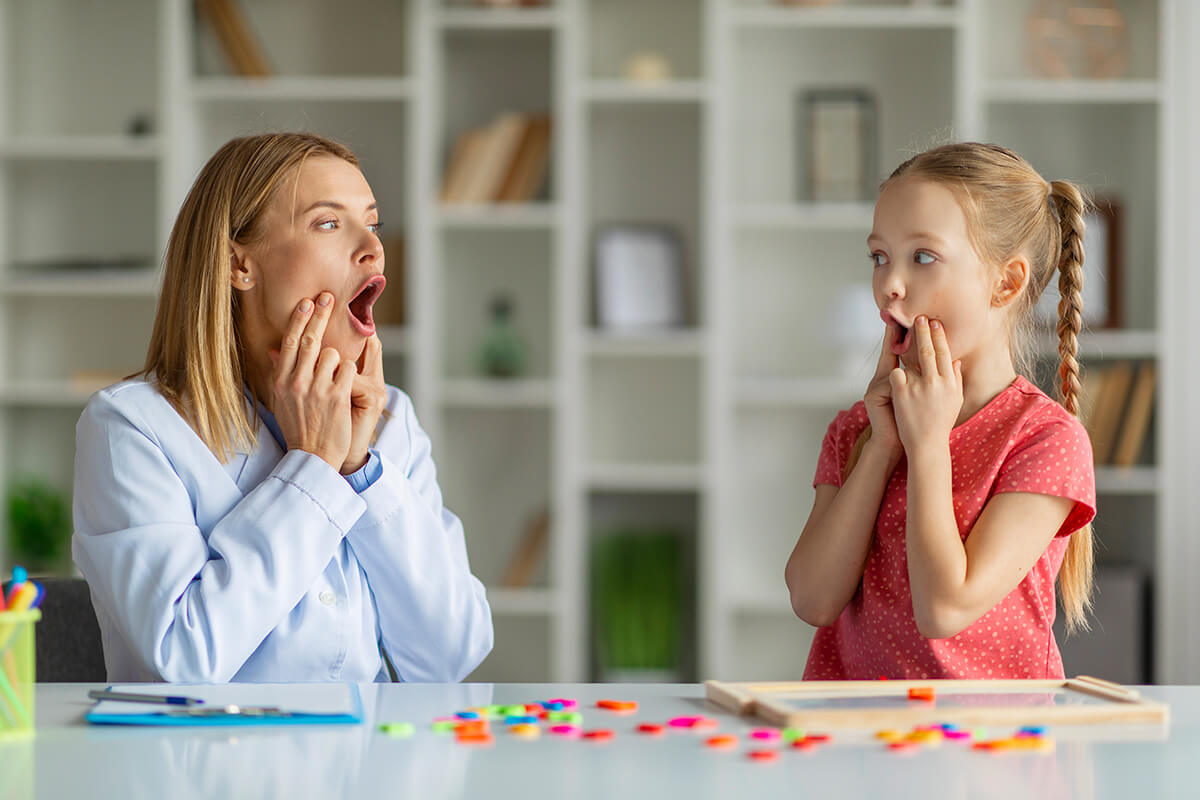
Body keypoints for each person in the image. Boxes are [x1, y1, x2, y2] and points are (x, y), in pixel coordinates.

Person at [73, 133, 494, 682]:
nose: (372, 247)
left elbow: (452, 655)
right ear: (238, 264)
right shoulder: (132, 429)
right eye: (328, 222)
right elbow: (185, 660)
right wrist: (315, 465)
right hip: (198, 767)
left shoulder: (390, 424)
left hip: (364, 764)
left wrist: (359, 469)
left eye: (373, 222)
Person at [785, 142, 1096, 679]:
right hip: (854, 746)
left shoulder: (1045, 439)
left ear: (1007, 282)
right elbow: (812, 600)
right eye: (879, 257)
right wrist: (883, 447)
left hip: (991, 746)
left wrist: (927, 445)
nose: (890, 286)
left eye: (922, 257)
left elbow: (945, 609)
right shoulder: (858, 429)